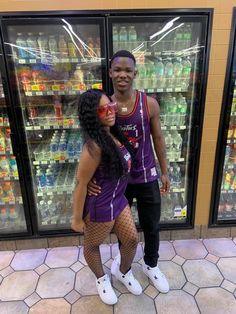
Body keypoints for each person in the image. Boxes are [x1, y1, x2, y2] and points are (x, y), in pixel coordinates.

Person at [88, 50, 170, 293]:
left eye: (128, 70)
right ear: (111, 73)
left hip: (146, 176)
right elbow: (95, 141)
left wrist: (164, 171)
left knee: (152, 225)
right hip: (118, 181)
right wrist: (91, 176)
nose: (123, 74)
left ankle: (151, 265)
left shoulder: (149, 104)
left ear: (135, 73)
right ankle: (124, 267)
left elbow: (158, 137)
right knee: (126, 230)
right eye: (118, 70)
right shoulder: (106, 106)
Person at [71, 89, 142, 306]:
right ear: (92, 115)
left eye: (110, 106)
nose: (110, 111)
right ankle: (101, 279)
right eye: (103, 109)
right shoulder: (93, 146)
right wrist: (76, 219)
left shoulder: (113, 133)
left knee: (131, 239)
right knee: (92, 245)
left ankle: (123, 271)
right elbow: (81, 183)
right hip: (100, 205)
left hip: (118, 200)